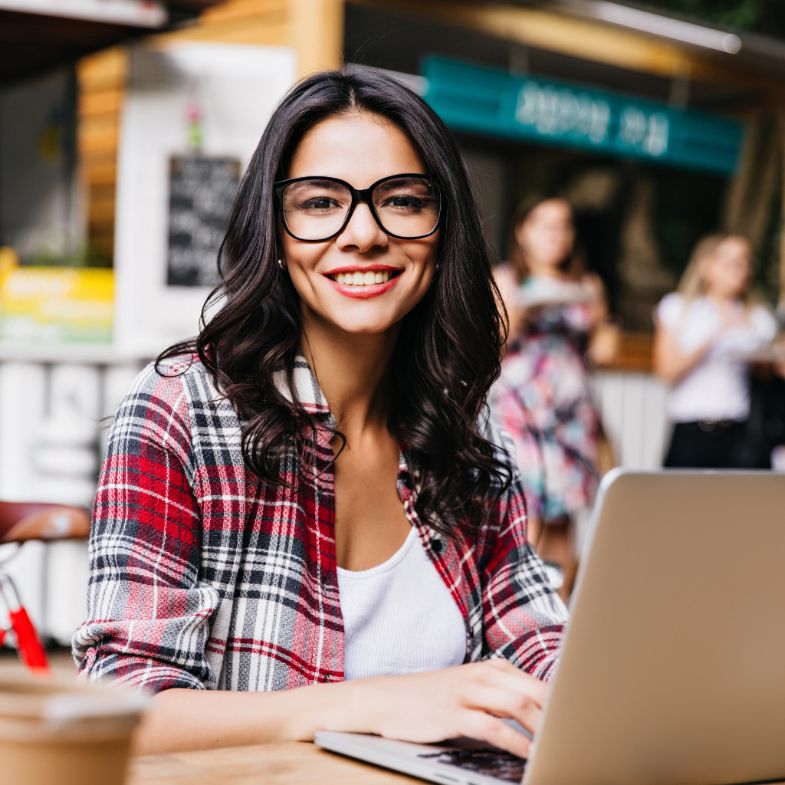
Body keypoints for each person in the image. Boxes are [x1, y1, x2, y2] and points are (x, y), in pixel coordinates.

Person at [72, 69, 567, 758]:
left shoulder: (464, 424)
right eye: (319, 202)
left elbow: (536, 638)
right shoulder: (179, 410)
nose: (363, 234)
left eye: (401, 199)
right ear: (272, 229)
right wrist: (372, 703)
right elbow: (122, 707)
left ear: (442, 227)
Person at [490, 196, 606, 576]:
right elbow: (492, 346)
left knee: (564, 519)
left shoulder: (588, 285)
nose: (556, 234)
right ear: (522, 232)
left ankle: (562, 622)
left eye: (564, 225)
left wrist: (608, 335)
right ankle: (520, 613)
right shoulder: (506, 279)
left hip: (572, 416)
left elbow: (599, 350)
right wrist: (524, 308)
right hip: (521, 413)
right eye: (545, 224)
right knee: (525, 513)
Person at [654, 232, 778, 468]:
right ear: (706, 265)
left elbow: (766, 374)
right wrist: (714, 337)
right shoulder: (679, 309)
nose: (740, 269)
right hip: (691, 427)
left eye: (746, 262)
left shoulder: (758, 318)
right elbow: (666, 371)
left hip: (739, 430)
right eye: (731, 262)